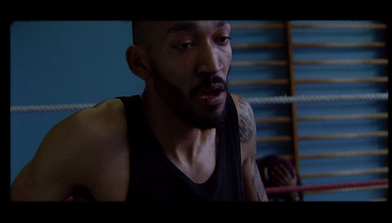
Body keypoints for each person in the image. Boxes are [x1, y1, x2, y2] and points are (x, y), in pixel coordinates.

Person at [10, 21, 268, 201]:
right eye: (185, 44)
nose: (213, 65)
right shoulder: (93, 139)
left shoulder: (240, 119)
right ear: (140, 63)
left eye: (222, 39)